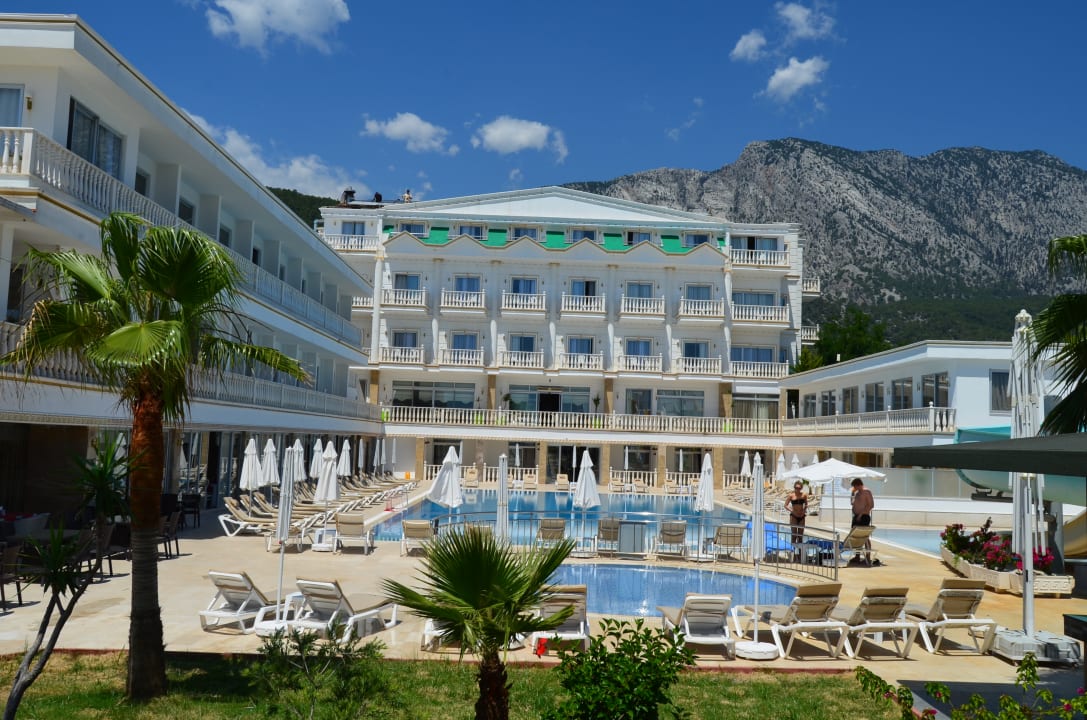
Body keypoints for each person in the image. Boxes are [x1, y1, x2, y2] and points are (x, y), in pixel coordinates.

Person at [850, 478, 874, 564]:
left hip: (863, 516)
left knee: (864, 537)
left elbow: (870, 505)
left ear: (858, 485)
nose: (854, 488)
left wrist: (861, 514)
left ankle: (868, 556)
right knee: (855, 537)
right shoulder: (857, 493)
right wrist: (852, 493)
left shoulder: (866, 491)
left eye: (854, 486)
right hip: (856, 517)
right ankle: (857, 556)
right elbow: (852, 503)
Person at [784, 481, 808, 560]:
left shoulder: (804, 495)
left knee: (800, 536)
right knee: (794, 535)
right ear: (794, 487)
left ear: (801, 488)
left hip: (801, 516)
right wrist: (792, 511)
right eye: (796, 488)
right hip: (794, 516)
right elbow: (785, 505)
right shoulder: (791, 495)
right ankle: (793, 555)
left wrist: (803, 511)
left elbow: (806, 504)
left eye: (799, 488)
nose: (797, 489)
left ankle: (800, 555)